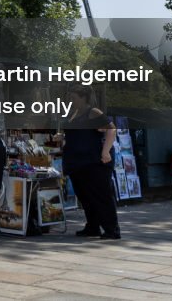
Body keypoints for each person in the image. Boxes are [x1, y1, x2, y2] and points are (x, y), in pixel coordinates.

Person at [60, 85, 120, 239]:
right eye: (70, 98)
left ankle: (111, 229)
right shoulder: (73, 114)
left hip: (94, 161)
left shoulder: (92, 112)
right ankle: (92, 226)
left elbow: (111, 129)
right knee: (85, 196)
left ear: (83, 97)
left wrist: (105, 151)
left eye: (73, 98)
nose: (71, 101)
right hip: (77, 162)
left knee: (101, 194)